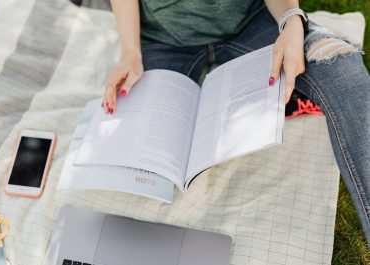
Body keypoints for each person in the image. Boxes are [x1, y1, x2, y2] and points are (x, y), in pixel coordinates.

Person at [102, 0, 370, 247]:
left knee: (339, 63)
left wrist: (291, 21)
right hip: (164, 38)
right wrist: (130, 53)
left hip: (253, 21)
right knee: (141, 165)